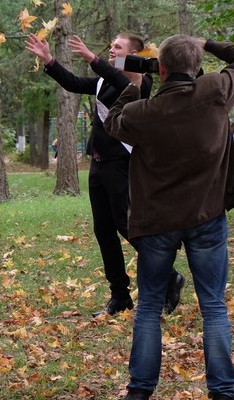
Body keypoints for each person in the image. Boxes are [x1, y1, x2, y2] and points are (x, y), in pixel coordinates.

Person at [103, 36, 234, 400]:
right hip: (206, 217)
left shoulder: (144, 112)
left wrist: (131, 87)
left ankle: (139, 395)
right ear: (197, 66)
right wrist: (205, 41)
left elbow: (112, 123)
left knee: (149, 308)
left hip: (158, 222)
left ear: (160, 69)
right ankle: (224, 398)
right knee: (213, 306)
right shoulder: (215, 91)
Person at [25, 33, 185, 317]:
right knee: (103, 231)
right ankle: (119, 296)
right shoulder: (102, 81)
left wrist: (91, 58)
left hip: (121, 163)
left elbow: (124, 85)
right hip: (98, 164)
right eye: (110, 46)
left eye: (118, 47)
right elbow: (73, 83)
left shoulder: (140, 82)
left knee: (128, 226)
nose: (111, 49)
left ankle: (170, 276)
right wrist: (49, 60)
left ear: (134, 54)